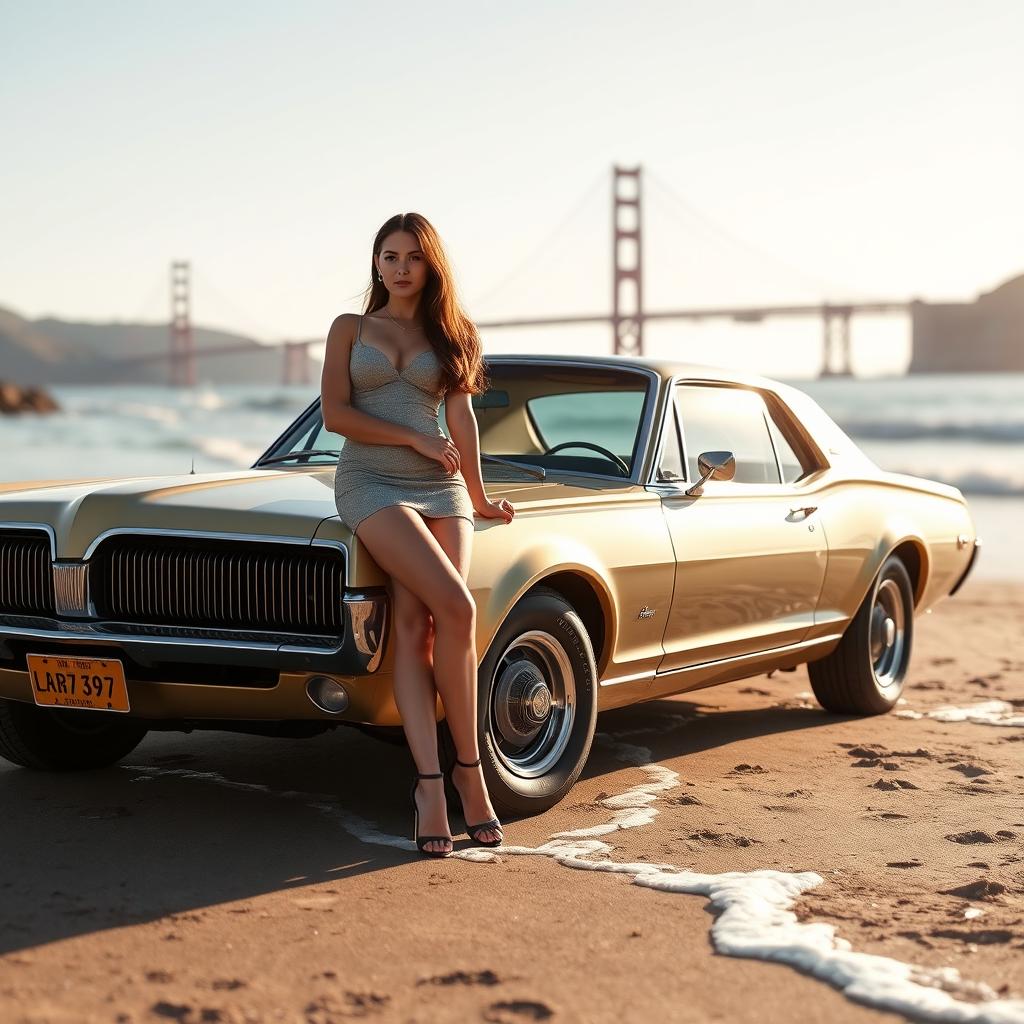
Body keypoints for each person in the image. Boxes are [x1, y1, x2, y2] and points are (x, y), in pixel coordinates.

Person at [320, 213, 515, 858]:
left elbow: (461, 416)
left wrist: (480, 497)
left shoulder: (454, 333)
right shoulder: (349, 329)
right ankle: (439, 782)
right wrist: (410, 436)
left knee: (429, 622)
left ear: (431, 265)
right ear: (375, 263)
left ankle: (466, 774)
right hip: (372, 484)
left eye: (411, 257)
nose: (399, 267)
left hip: (442, 489)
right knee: (451, 607)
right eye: (388, 255)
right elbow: (336, 414)